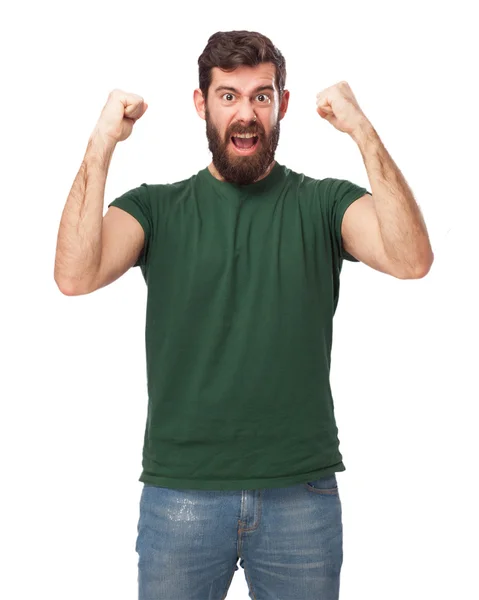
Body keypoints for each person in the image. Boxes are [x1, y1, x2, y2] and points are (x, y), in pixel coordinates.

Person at [54, 30, 433, 600]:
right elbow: (74, 276)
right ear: (201, 104)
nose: (246, 113)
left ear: (282, 105)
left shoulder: (324, 203)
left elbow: (411, 261)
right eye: (228, 95)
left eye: (261, 95)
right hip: (180, 494)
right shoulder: (155, 207)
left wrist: (362, 130)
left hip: (300, 494)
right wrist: (102, 141)